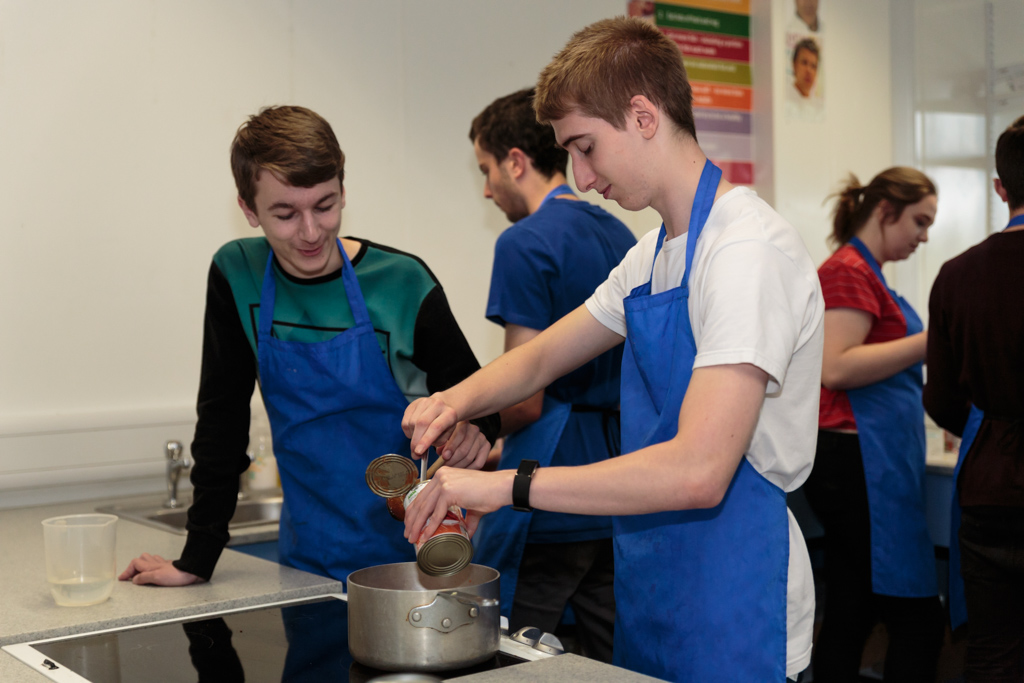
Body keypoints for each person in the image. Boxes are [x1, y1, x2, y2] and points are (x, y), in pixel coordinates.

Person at [401, 17, 824, 683]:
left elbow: (698, 471)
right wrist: (450, 402)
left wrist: (502, 485)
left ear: (643, 115)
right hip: (657, 583)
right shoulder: (651, 254)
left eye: (586, 147)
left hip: (740, 595)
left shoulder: (745, 251)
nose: (582, 175)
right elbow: (540, 358)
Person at [119, 105, 499, 587]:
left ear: (343, 190)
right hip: (305, 566)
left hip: (416, 562)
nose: (312, 231)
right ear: (248, 209)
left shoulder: (401, 283)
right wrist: (196, 558)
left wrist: (474, 429)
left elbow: (484, 401)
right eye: (284, 214)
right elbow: (222, 420)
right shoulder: (238, 275)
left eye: (326, 205)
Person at [468, 87, 636, 661]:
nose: (487, 188)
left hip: (546, 485)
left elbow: (526, 396)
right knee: (604, 655)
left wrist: (467, 448)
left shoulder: (523, 243)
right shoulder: (621, 234)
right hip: (616, 479)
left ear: (516, 161)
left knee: (514, 656)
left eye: (487, 170)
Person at [803, 167, 944, 682]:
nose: (923, 236)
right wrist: (937, 338)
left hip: (867, 457)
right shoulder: (847, 271)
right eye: (919, 221)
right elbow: (835, 366)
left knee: (851, 607)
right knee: (917, 620)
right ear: (885, 211)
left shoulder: (869, 273)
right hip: (857, 462)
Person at [924, 115, 1024, 682]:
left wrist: (995, 426)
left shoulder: (957, 276)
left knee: (992, 653)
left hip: (988, 492)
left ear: (1000, 188)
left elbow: (941, 399)